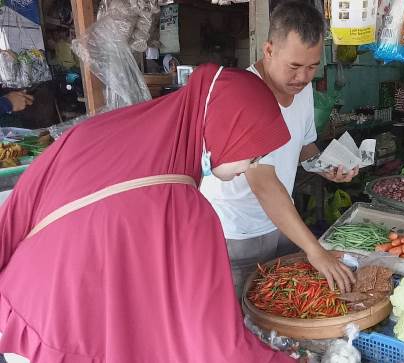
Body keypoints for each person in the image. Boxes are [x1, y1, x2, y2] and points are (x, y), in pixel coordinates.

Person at [0, 64, 295, 362]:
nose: (251, 165)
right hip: (62, 342)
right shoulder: (184, 209)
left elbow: (19, 205)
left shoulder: (98, 130)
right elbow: (215, 344)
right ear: (225, 127)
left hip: (15, 312)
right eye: (252, 150)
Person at [200, 0, 357, 296]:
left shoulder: (304, 89)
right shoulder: (244, 95)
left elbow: (303, 146)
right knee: (242, 318)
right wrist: (314, 249)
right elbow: (264, 184)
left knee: (283, 308)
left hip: (279, 224)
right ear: (269, 50)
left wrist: (326, 167)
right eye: (294, 67)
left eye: (311, 67)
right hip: (237, 234)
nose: (302, 78)